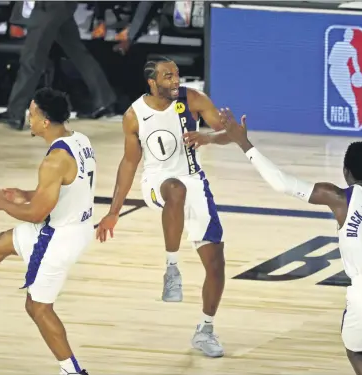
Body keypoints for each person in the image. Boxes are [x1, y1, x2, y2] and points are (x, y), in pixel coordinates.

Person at [218, 108, 362, 375]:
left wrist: (244, 143)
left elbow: (283, 183)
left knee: (357, 351)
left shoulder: (338, 198)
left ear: (346, 171)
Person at [96, 57, 232, 358]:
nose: (175, 81)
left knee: (216, 265)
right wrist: (113, 211)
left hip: (195, 180)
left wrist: (207, 137)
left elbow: (230, 133)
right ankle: (172, 269)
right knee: (175, 189)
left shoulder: (192, 99)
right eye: (168, 76)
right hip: (157, 182)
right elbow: (129, 163)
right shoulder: (134, 115)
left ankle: (205, 330)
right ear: (152, 82)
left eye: (177, 75)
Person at [0, 88, 95, 375]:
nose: (27, 118)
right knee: (1, 244)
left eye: (31, 113)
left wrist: (2, 203)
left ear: (44, 121)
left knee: (38, 308)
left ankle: (72, 371)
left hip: (58, 237)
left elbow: (37, 213)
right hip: (74, 226)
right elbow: (65, 190)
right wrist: (25, 193)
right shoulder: (80, 140)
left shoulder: (54, 160)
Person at [0, 1, 116, 130]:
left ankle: (14, 114)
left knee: (31, 60)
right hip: (62, 6)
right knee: (78, 53)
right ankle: (105, 101)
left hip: (48, 6)